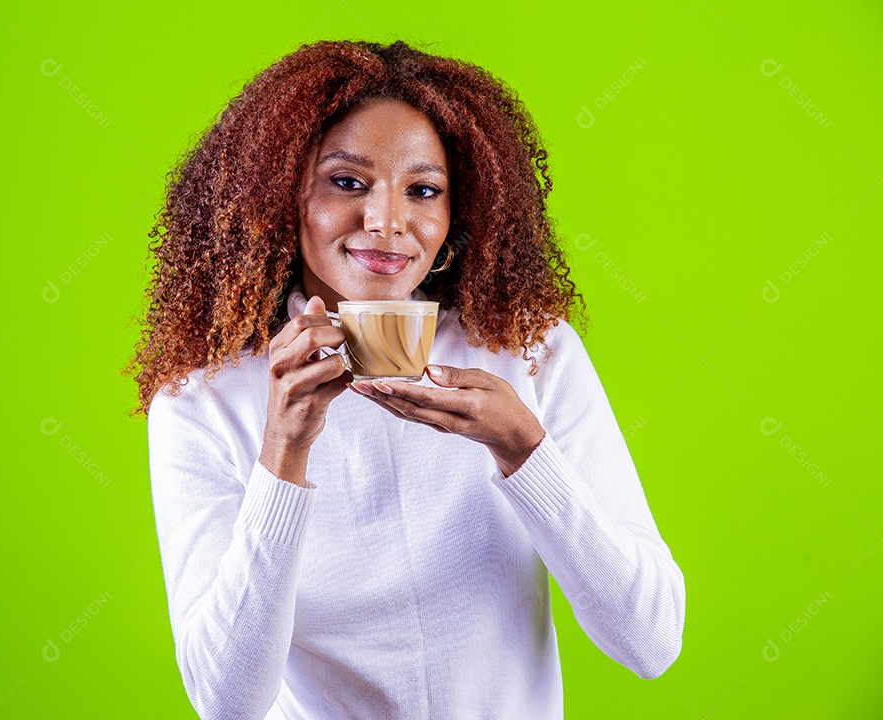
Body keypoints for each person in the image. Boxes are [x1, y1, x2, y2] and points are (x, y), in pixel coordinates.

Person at [124, 38, 685, 719]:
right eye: (347, 182)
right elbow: (226, 703)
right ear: (281, 195)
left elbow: (650, 641)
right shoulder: (203, 397)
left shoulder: (529, 349)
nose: (388, 222)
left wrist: (524, 450)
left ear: (457, 213)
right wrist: (283, 453)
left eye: (423, 191)